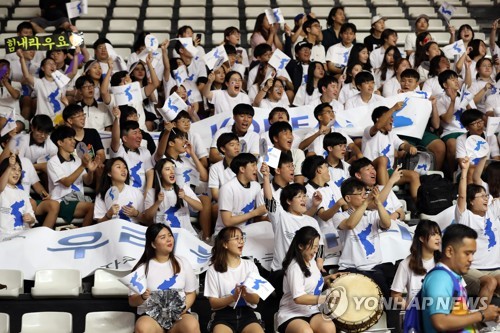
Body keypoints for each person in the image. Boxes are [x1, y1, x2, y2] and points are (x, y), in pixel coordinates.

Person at [421, 224, 500, 332]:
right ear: (449, 251)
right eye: (467, 253)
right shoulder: (440, 278)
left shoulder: (452, 277)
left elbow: (457, 317)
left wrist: (486, 317)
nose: (471, 259)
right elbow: (440, 321)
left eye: (472, 253)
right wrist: (481, 314)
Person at [129, 224, 200, 333]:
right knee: (142, 327)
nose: (169, 240)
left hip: (179, 315)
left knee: (191, 324)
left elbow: (191, 293)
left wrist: (180, 311)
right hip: (151, 316)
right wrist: (142, 297)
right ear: (153, 244)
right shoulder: (142, 267)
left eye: (170, 235)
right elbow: (132, 301)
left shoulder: (183, 262)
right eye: (163, 237)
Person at [276, 226, 338, 333]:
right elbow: (299, 298)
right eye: (313, 247)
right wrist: (325, 298)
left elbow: (310, 282)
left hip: (312, 310)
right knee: (306, 332)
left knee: (329, 328)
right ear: (300, 246)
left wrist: (329, 277)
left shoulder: (312, 261)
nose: (315, 251)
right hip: (292, 313)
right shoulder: (294, 267)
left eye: (317, 247)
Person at [456, 157, 500, 305]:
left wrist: (484, 154)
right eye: (481, 196)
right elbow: (462, 195)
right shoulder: (465, 216)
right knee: (490, 282)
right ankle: (481, 323)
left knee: (494, 280)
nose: (486, 199)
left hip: (495, 268)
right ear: (471, 201)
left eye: (486, 195)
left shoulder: (493, 211)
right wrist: (464, 170)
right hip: (473, 269)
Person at [204, 226, 264, 333]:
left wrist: (246, 295)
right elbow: (213, 303)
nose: (241, 241)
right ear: (225, 244)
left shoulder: (251, 266)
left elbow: (256, 300)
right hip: (223, 316)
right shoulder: (213, 270)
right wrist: (233, 298)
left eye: (242, 238)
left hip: (247, 314)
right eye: (236, 238)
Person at [47, 125, 100, 226]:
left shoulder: (78, 160)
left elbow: (87, 181)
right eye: (70, 139)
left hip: (78, 200)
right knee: (93, 207)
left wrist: (91, 171)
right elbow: (66, 182)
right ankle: (84, 234)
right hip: (61, 202)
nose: (74, 141)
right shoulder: (53, 162)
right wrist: (83, 166)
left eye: (73, 138)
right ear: (60, 143)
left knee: (98, 206)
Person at [143, 158, 202, 236]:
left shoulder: (183, 188)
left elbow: (200, 207)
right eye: (167, 169)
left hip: (186, 234)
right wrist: (158, 202)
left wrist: (185, 197)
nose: (172, 172)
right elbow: (147, 217)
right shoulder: (152, 192)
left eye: (174, 169)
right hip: (164, 236)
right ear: (160, 174)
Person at [391, 220, 442, 308]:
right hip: (418, 315)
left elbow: (459, 288)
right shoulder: (406, 264)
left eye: (439, 234)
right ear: (421, 238)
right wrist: (410, 310)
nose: (438, 238)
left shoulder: (445, 262)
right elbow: (395, 295)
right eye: (433, 234)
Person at [214, 153, 266, 235]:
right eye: (253, 165)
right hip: (226, 233)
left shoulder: (256, 186)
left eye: (256, 165)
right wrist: (255, 213)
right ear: (242, 169)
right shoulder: (227, 188)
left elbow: (259, 214)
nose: (256, 169)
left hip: (248, 231)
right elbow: (227, 222)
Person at [94, 157, 144, 224]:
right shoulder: (102, 194)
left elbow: (147, 220)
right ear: (109, 173)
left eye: (125, 167)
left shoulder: (136, 192)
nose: (123, 170)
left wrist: (136, 213)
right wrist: (108, 214)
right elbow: (99, 223)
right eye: (118, 167)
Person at [0, 154, 36, 241]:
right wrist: (9, 166)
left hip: (23, 236)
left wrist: (30, 219)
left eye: (19, 170)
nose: (17, 173)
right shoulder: (2, 190)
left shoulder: (23, 193)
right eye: (13, 169)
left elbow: (33, 219)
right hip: (4, 237)